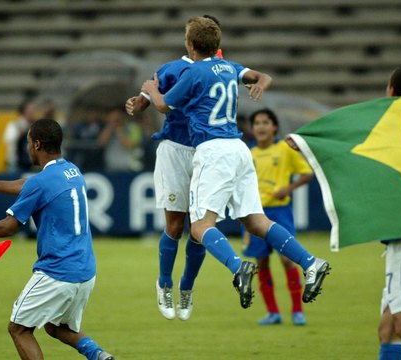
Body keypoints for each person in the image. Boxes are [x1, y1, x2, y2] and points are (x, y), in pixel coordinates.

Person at [141, 16, 330, 310]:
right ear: (218, 46)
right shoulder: (229, 68)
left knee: (200, 226)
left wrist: (150, 88)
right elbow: (258, 76)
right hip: (240, 148)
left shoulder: (194, 73)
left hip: (213, 150)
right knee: (257, 221)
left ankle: (237, 266)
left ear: (190, 45)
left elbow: (164, 104)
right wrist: (260, 85)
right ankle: (310, 261)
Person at [286, 65, 401, 359]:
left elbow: (352, 135)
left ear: (390, 91)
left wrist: (309, 141)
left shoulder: (394, 122)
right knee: (387, 329)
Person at [0, 119, 115, 360]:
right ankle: (97, 354)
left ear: (37, 144)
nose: (27, 148)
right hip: (85, 272)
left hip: (57, 272)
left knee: (19, 329)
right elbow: (31, 185)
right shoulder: (72, 171)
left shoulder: (41, 182)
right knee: (56, 327)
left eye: (28, 143)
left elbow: (9, 227)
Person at [124, 14, 233, 320]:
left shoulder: (223, 69)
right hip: (174, 151)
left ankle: (187, 288)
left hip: (207, 152)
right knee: (175, 225)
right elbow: (147, 97)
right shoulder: (173, 69)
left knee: (199, 229)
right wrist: (137, 101)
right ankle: (164, 283)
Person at [242, 108, 313, 326]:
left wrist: (289, 189)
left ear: (274, 127)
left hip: (280, 213)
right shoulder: (248, 154)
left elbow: (307, 173)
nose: (261, 126)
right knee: (261, 262)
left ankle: (297, 311)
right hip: (255, 213)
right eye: (257, 123)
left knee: (286, 260)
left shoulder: (284, 149)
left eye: (265, 122)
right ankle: (273, 312)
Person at [97, 107, 142, 172]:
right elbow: (101, 142)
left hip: (129, 169)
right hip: (111, 168)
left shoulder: (134, 128)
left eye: (116, 119)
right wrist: (110, 126)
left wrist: (119, 128)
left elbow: (129, 146)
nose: (113, 121)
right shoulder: (108, 129)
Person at [3, 100, 36, 173]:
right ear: (23, 112)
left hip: (31, 164)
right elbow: (8, 140)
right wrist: (19, 133)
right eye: (30, 110)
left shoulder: (35, 126)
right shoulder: (14, 125)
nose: (32, 112)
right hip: (16, 163)